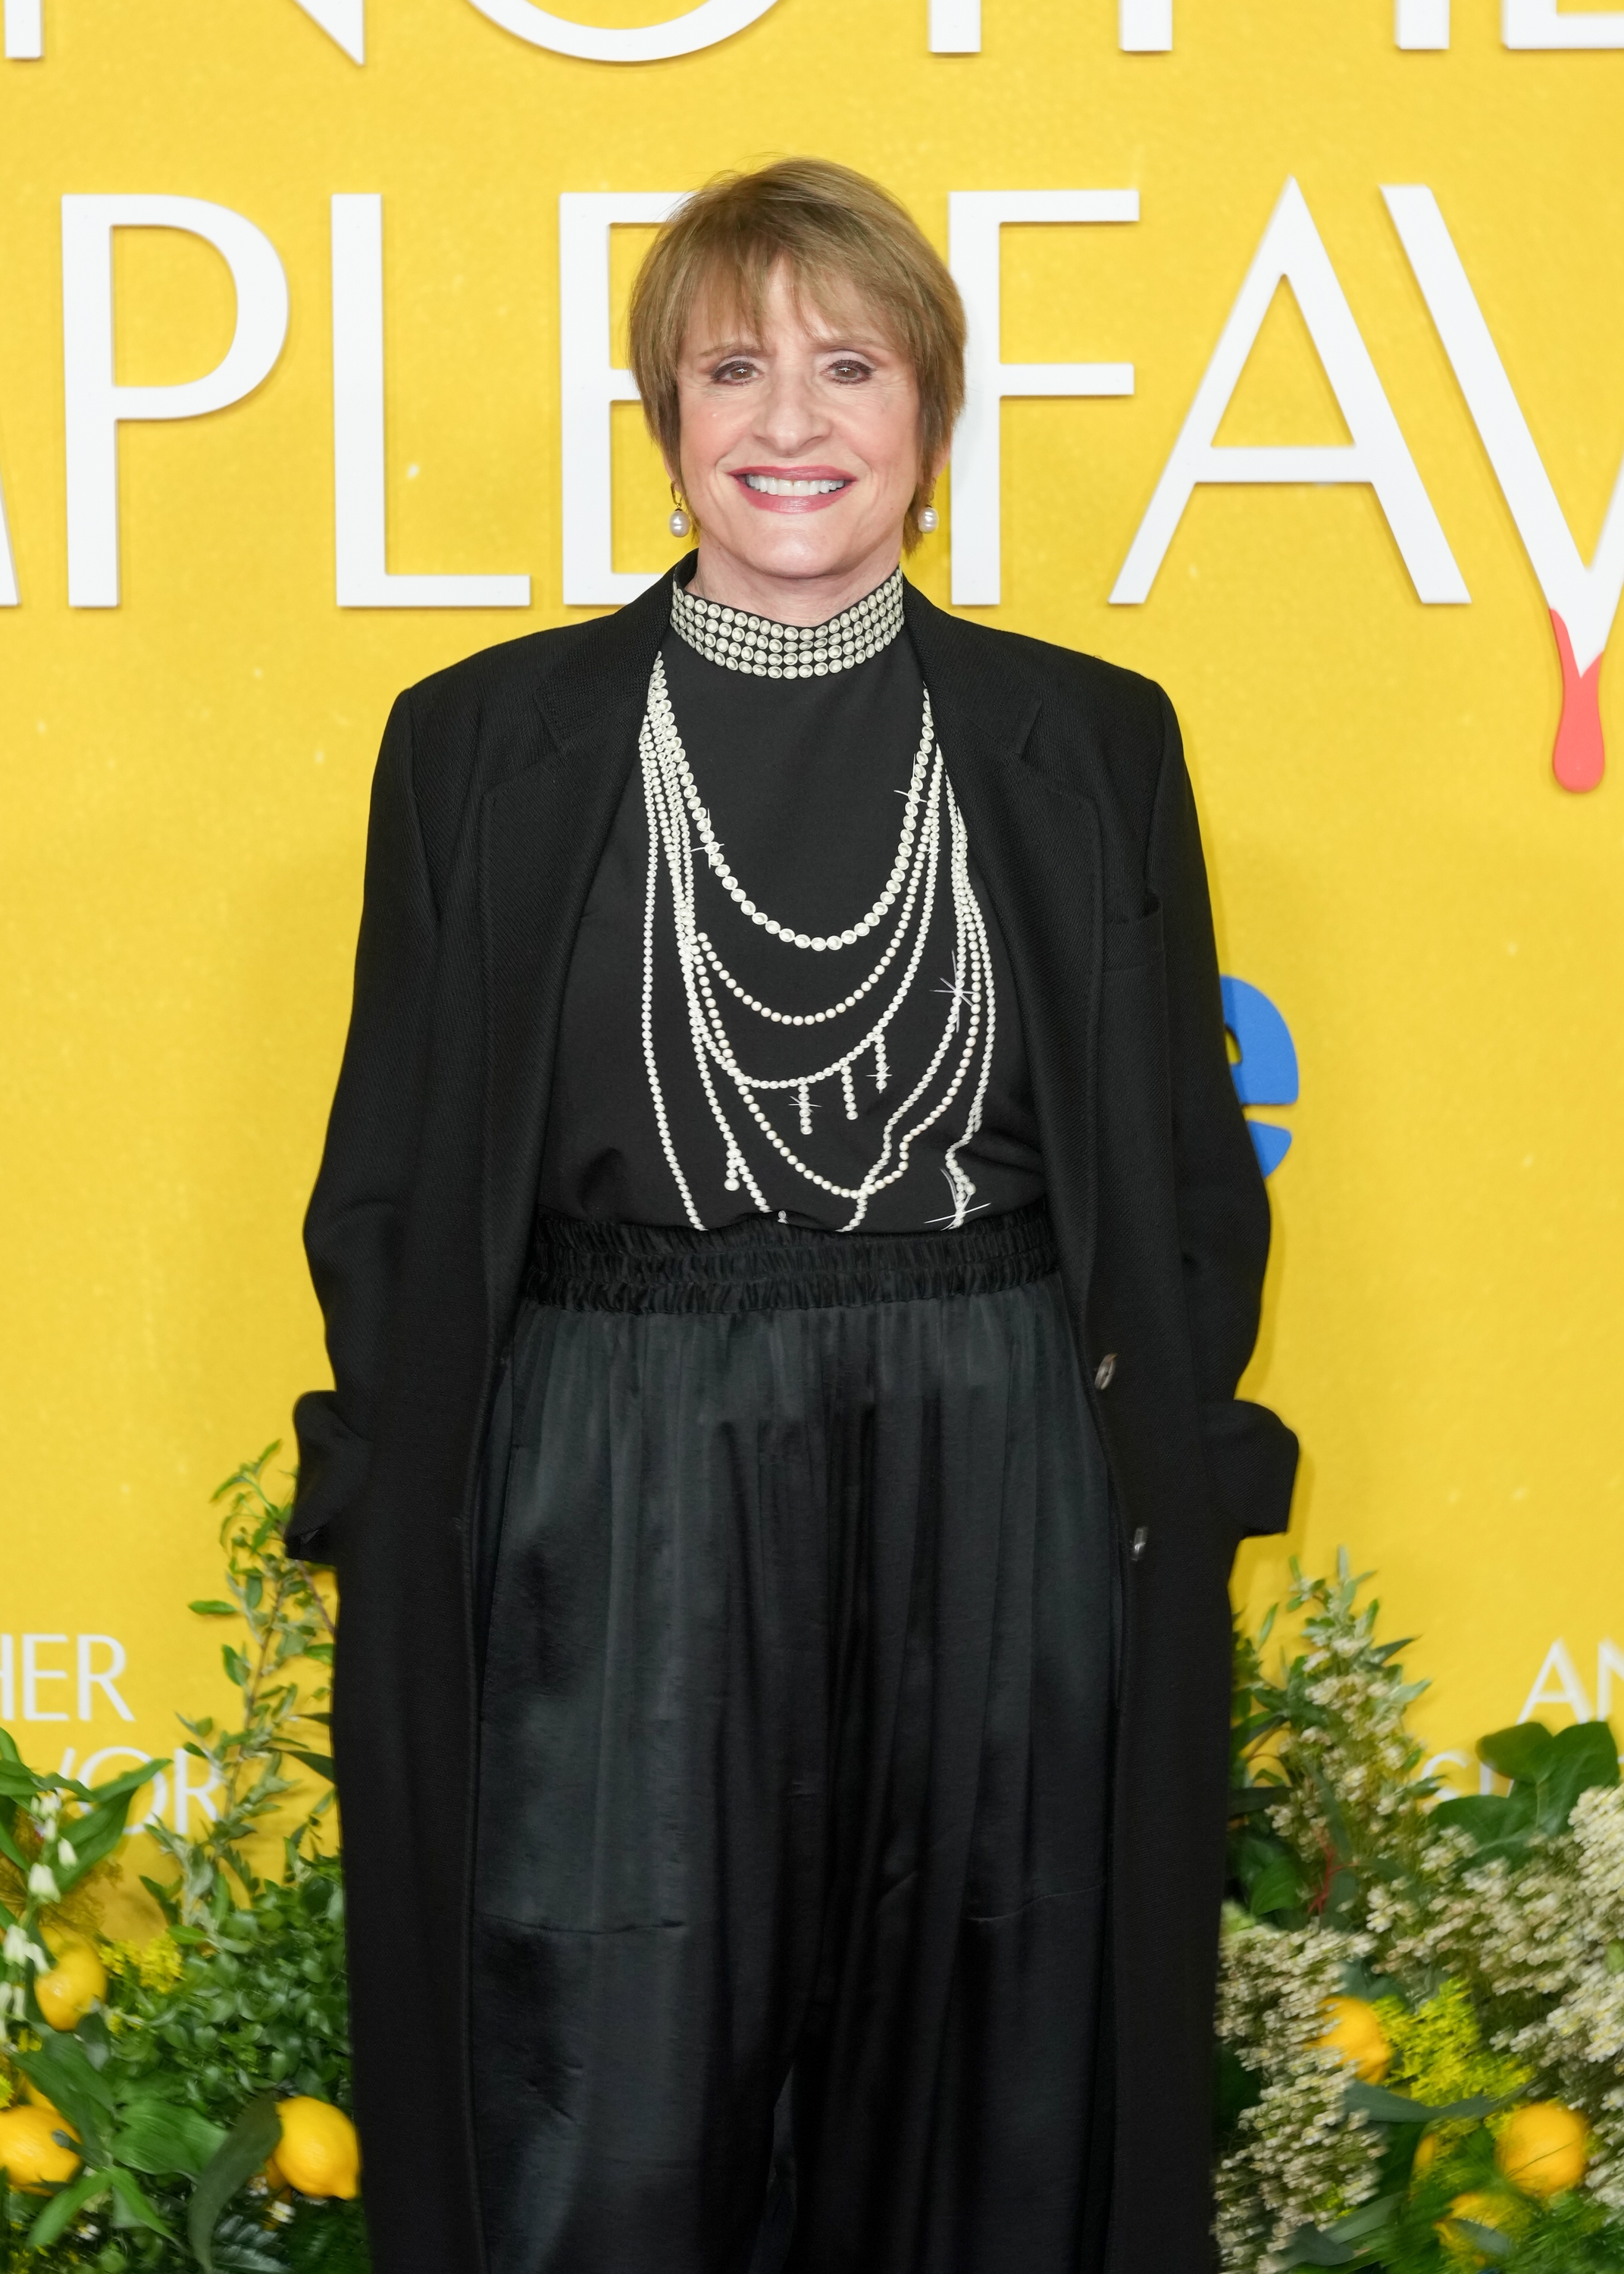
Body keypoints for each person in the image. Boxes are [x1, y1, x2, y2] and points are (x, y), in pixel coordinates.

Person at [290, 156, 1297, 2274]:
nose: (791, 421)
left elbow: (1183, 1175)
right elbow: (388, 1172)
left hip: (997, 1437)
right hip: (614, 1454)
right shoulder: (480, 747)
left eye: (850, 366)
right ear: (661, 414)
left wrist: (1144, 1463)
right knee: (605, 2057)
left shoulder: (1086, 741)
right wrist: (428, 1497)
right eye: (731, 366)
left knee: (997, 2045)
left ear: (933, 414)